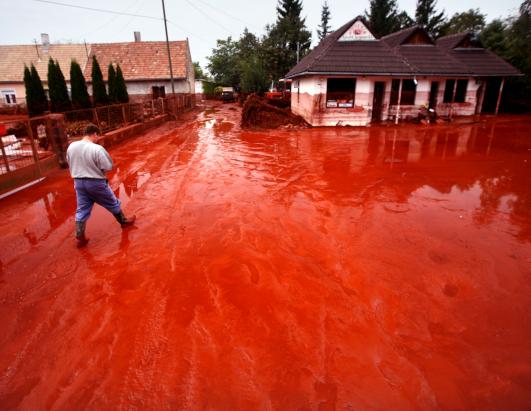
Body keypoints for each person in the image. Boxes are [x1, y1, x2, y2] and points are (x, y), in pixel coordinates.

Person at [66, 124, 136, 248]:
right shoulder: (96, 148)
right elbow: (108, 166)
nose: (98, 138)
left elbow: (69, 161)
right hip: (95, 182)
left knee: (82, 209)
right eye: (98, 136)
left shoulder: (71, 146)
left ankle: (79, 234)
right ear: (94, 134)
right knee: (112, 202)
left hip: (78, 182)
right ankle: (124, 222)